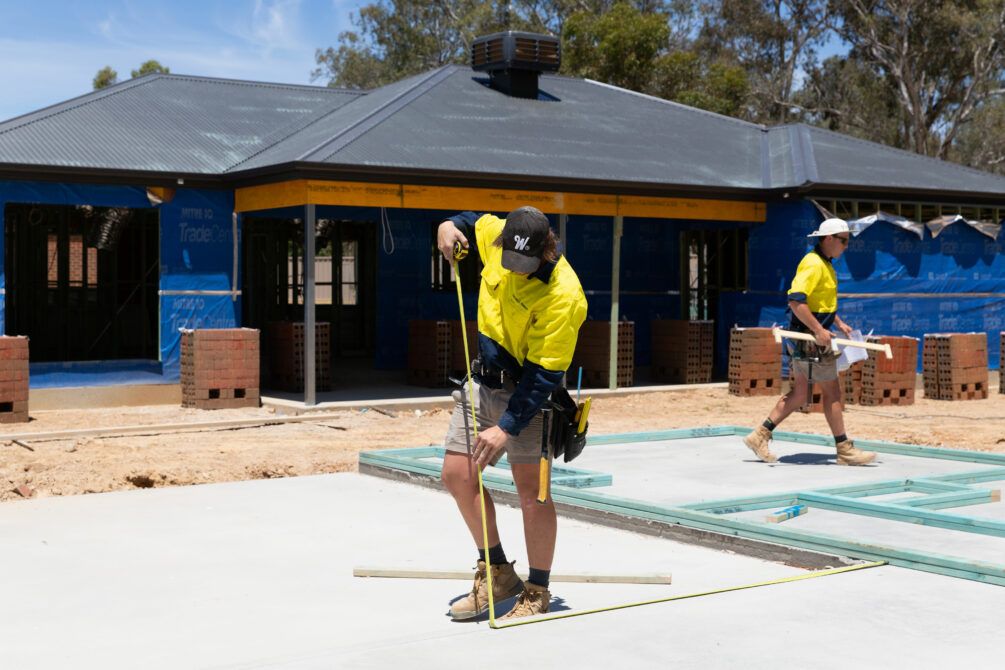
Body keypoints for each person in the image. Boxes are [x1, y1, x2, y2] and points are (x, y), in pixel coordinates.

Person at [436, 206, 587, 621]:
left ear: (546, 252)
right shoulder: (496, 234)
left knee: (531, 495)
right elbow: (468, 222)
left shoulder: (564, 295)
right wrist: (447, 227)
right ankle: (498, 572)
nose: (516, 271)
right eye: (510, 262)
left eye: (526, 265)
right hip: (483, 381)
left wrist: (506, 428)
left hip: (528, 393)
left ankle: (537, 590)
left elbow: (543, 376)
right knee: (457, 474)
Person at [743, 217, 877, 467]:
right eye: (843, 240)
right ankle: (844, 449)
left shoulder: (824, 264)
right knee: (833, 393)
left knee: (800, 393)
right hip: (811, 342)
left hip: (809, 339)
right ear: (828, 239)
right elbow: (796, 301)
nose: (846, 246)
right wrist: (818, 329)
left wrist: (837, 322)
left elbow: (818, 302)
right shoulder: (814, 264)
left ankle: (759, 435)